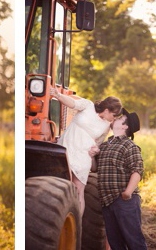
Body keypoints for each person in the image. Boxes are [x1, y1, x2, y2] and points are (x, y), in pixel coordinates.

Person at [51, 87, 122, 217]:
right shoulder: (88, 106)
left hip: (83, 156)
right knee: (60, 184)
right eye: (114, 114)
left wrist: (96, 151)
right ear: (107, 110)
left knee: (78, 190)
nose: (115, 118)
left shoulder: (106, 126)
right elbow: (73, 103)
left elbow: (98, 143)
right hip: (66, 147)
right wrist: (59, 95)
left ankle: (76, 226)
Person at [95, 108, 150, 250]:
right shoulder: (105, 145)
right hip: (107, 201)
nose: (116, 118)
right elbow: (94, 168)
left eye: (120, 118)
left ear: (125, 126)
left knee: (134, 241)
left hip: (124, 200)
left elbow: (137, 171)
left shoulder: (129, 146)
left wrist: (128, 192)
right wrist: (93, 156)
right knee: (116, 244)